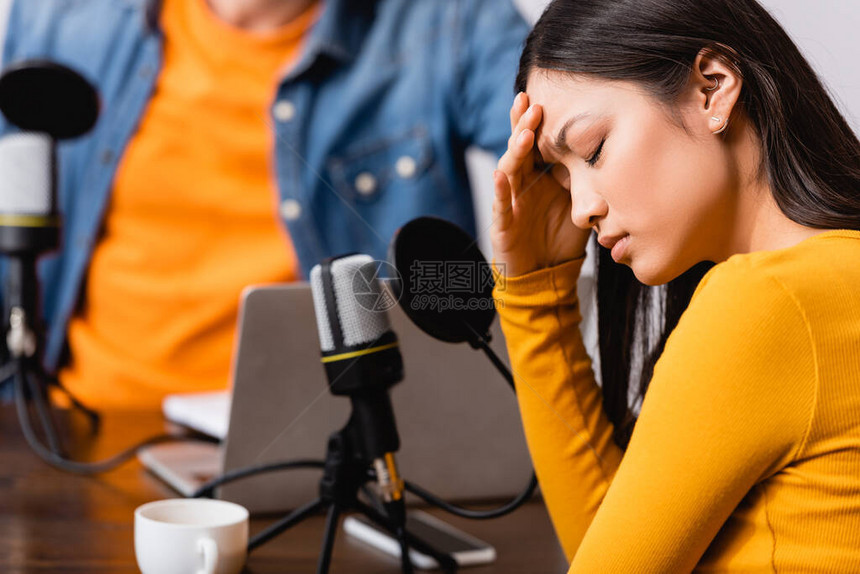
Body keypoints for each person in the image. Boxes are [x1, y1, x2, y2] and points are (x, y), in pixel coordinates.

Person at [0, 0, 528, 409]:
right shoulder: (62, 14)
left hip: (355, 445)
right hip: (75, 429)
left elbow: (564, 141)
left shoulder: (450, 19)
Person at [490, 0, 860, 571]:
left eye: (593, 150)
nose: (581, 206)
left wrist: (530, 298)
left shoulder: (767, 303)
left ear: (712, 88)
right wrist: (537, 291)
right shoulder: (831, 278)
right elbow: (615, 539)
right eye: (562, 177)